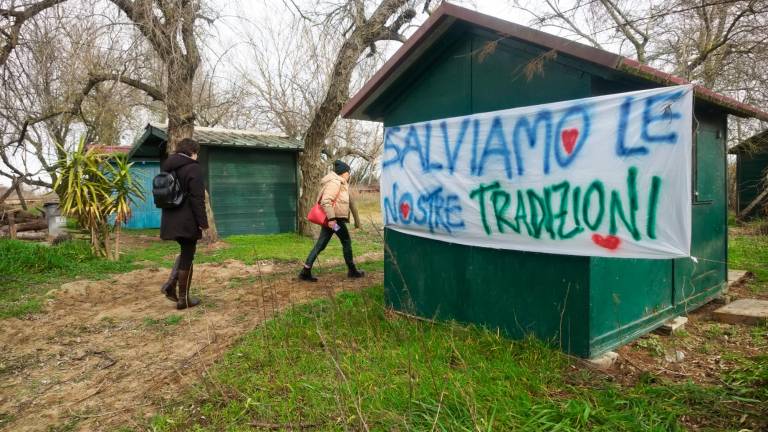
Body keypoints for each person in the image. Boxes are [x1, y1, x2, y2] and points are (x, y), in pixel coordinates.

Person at [159, 138, 209, 309]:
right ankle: (182, 298)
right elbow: (197, 198)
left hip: (170, 217)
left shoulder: (167, 166)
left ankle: (170, 285)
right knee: (188, 255)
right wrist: (203, 223)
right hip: (187, 219)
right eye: (197, 153)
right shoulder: (193, 168)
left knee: (185, 252)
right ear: (192, 152)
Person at [299, 160, 365, 282]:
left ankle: (305, 271)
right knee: (346, 241)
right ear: (343, 173)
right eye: (348, 172)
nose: (349, 174)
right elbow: (326, 201)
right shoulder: (335, 183)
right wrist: (332, 219)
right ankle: (352, 270)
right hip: (335, 221)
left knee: (321, 244)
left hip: (331, 220)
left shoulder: (339, 182)